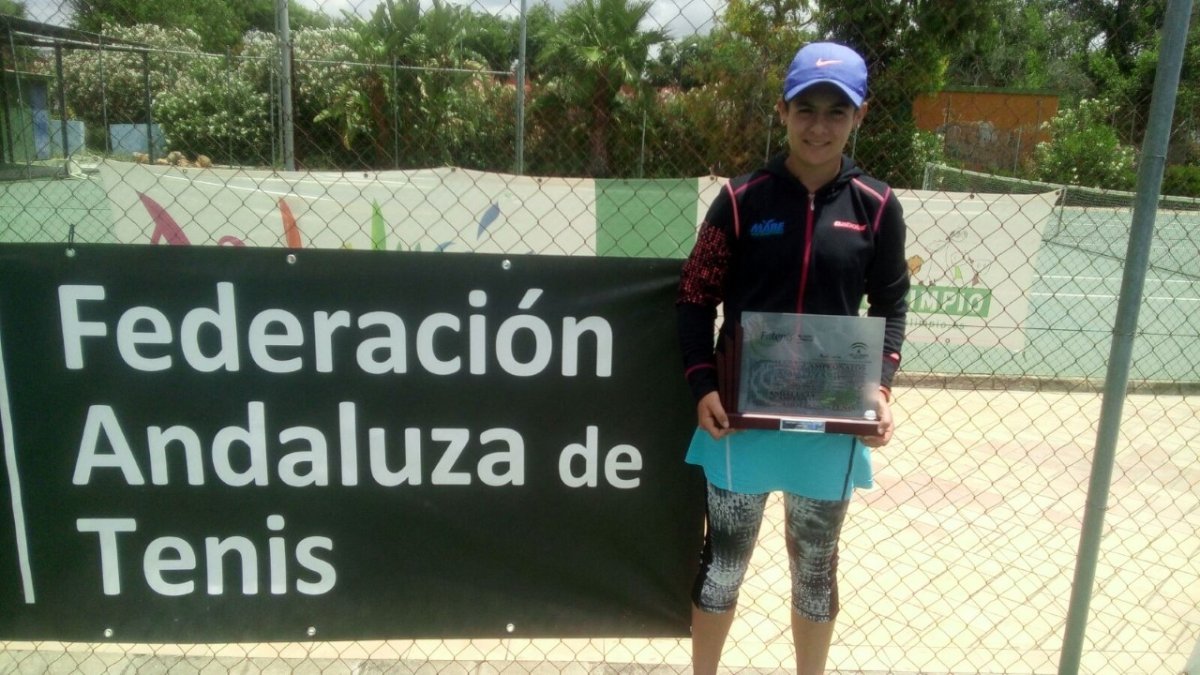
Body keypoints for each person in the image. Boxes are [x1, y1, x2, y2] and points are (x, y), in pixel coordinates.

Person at [676, 41, 909, 675]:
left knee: (815, 571)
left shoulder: (878, 206)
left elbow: (891, 304)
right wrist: (703, 384)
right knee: (724, 566)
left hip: (828, 424)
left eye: (838, 111)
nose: (820, 125)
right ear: (782, 111)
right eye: (807, 108)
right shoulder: (741, 198)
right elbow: (695, 297)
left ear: (859, 118)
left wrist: (882, 389)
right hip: (740, 422)